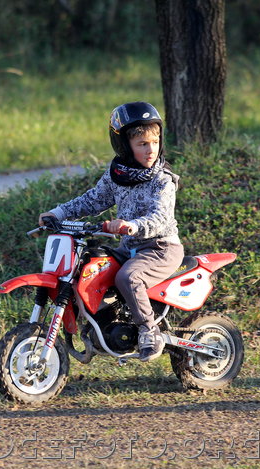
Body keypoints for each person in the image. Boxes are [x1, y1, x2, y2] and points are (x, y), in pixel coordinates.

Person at [39, 101, 183, 362]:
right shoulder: (118, 173)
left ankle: (149, 331)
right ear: (124, 146)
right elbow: (93, 199)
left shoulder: (163, 179)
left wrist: (134, 225)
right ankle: (106, 328)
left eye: (155, 142)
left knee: (129, 278)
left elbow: (160, 217)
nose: (151, 150)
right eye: (142, 144)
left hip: (160, 248)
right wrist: (58, 213)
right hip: (129, 248)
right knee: (90, 270)